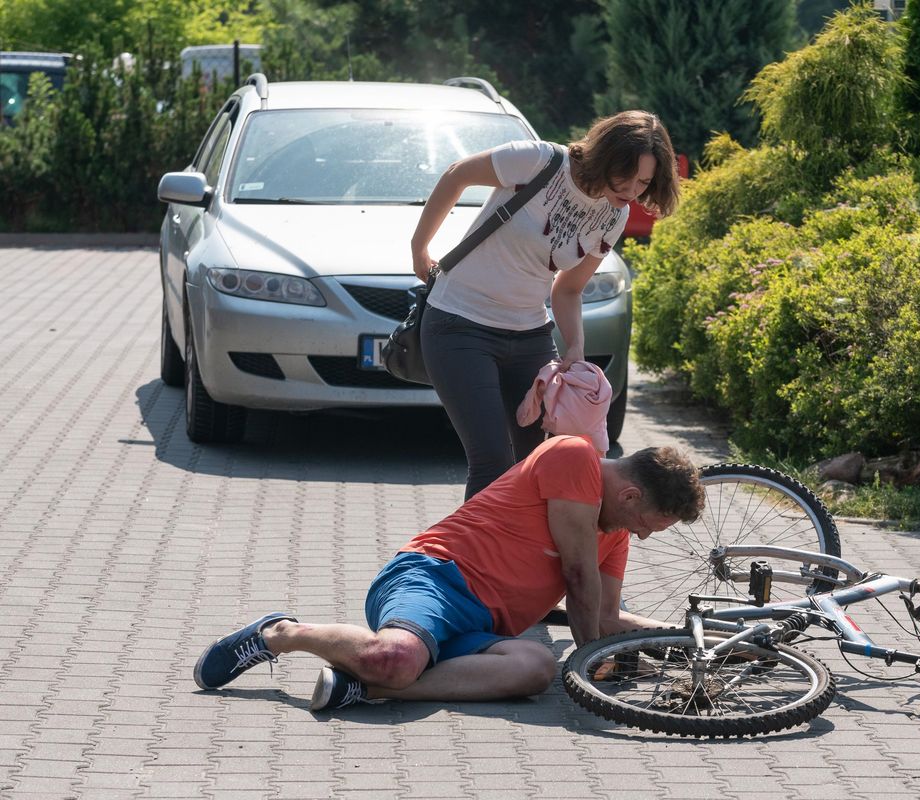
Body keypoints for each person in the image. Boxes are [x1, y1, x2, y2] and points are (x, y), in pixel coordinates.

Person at [192, 435, 704, 711]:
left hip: (482, 628)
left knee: (536, 670)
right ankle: (279, 634)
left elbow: (607, 620)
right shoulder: (574, 457)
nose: (641, 537)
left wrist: (705, 641)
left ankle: (361, 689)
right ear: (631, 495)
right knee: (395, 657)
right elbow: (577, 578)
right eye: (645, 525)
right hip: (433, 579)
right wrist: (590, 667)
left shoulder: (614, 532)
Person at [411, 111, 681, 500]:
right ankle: (476, 560)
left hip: (529, 335)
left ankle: (528, 558)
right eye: (628, 175)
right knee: (491, 462)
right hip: (459, 323)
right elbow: (457, 174)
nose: (633, 191)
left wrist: (574, 347)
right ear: (606, 155)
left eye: (644, 182)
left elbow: (567, 290)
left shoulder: (614, 214)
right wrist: (420, 248)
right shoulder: (539, 160)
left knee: (542, 461)